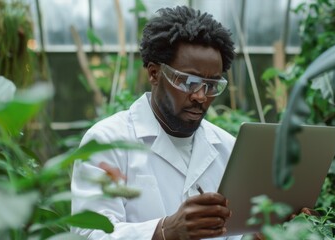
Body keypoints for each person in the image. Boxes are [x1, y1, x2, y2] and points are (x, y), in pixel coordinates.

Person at [71, 5, 240, 239]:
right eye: (188, 82)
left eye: (211, 86)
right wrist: (163, 230)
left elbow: (234, 233)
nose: (200, 96)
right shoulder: (107, 141)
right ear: (154, 74)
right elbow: (87, 233)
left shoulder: (228, 148)